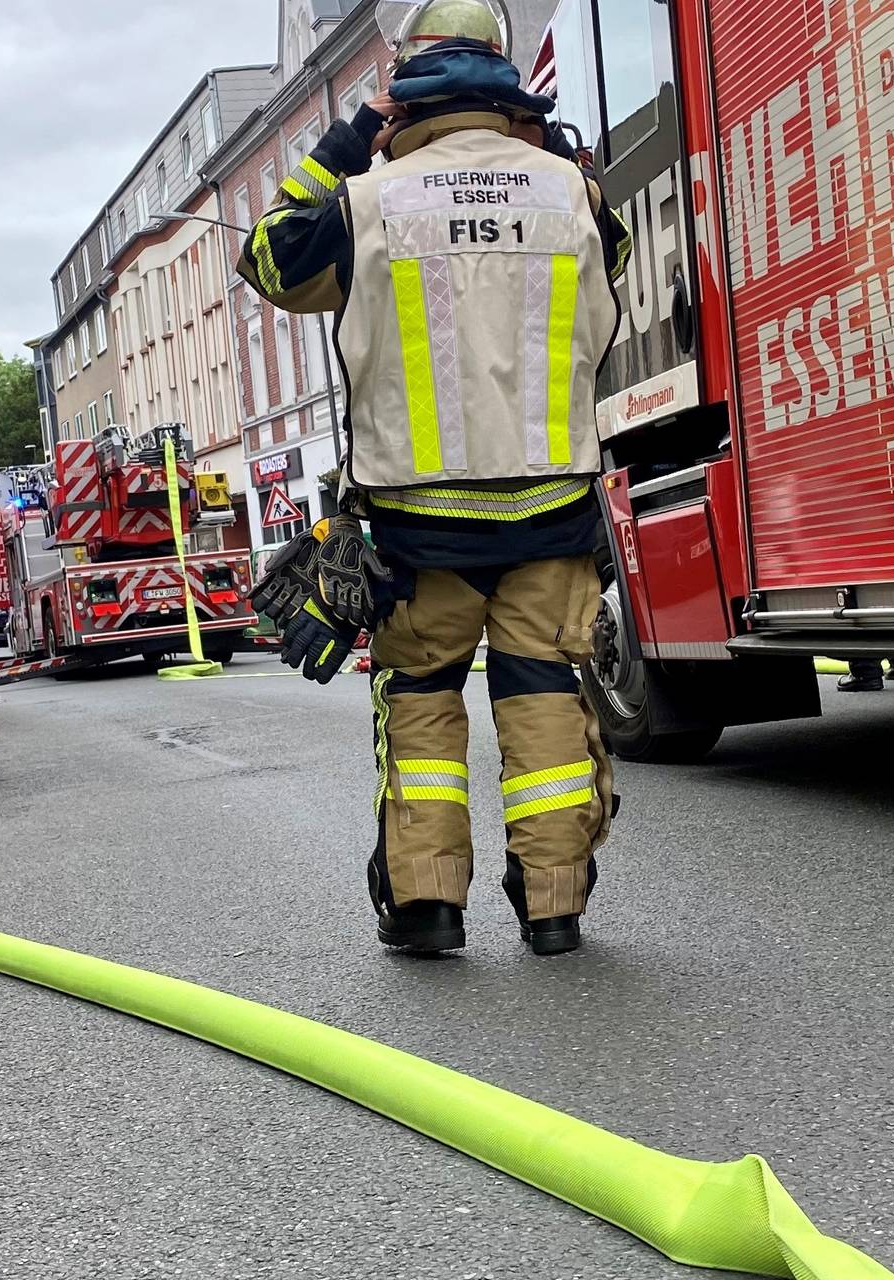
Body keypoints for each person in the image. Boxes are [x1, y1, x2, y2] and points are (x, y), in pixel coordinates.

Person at [239, 0, 632, 957]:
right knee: (544, 703)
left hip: (415, 533)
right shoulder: (572, 193)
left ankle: (426, 904)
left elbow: (268, 260)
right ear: (505, 82)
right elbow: (610, 277)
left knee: (421, 709)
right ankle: (553, 907)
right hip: (550, 513)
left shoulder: (367, 203)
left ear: (401, 91)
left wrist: (345, 142)